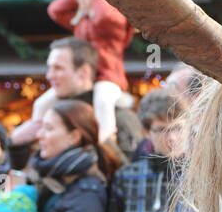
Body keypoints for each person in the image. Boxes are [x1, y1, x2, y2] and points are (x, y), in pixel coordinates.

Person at [102, 88, 189, 212]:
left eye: (178, 128)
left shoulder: (203, 177)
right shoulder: (127, 177)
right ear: (146, 133)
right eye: (161, 130)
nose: (172, 138)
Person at [9, 37, 141, 157]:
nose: (49, 75)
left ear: (84, 72)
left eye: (58, 68)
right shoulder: (49, 116)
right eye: (50, 68)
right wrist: (16, 144)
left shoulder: (120, 116)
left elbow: (133, 172)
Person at [47, 0, 134, 92]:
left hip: (108, 77)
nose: (82, 0)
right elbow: (54, 10)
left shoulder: (114, 18)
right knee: (42, 104)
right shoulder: (81, 20)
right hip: (83, 77)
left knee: (103, 103)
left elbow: (104, 16)